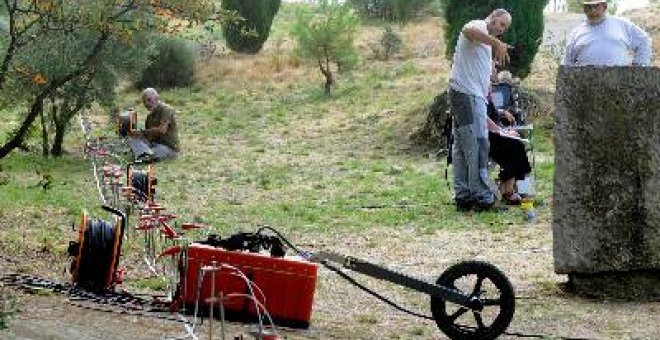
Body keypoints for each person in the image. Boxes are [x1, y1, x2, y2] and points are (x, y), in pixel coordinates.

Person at [448, 8, 513, 211]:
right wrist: (495, 43)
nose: (501, 30)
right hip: (467, 95)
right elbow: (467, 30)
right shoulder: (478, 25)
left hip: (464, 94)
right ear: (492, 17)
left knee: (461, 147)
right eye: (500, 23)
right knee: (478, 144)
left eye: (505, 28)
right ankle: (483, 198)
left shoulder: (485, 43)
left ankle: (464, 196)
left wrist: (490, 69)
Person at [562, 0, 652, 67]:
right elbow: (566, 64)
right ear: (584, 9)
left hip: (619, 85)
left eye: (596, 6)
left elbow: (644, 40)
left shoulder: (622, 24)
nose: (592, 11)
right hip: (586, 87)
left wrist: (638, 67)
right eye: (588, 7)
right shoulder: (576, 32)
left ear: (605, 7)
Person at [486, 93, 531, 205]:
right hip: (487, 139)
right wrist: (503, 132)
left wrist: (502, 112)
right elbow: (483, 117)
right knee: (516, 147)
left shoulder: (488, 94)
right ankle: (512, 188)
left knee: (517, 145)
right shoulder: (478, 94)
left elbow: (492, 113)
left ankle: (508, 185)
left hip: (495, 134)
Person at [128, 88, 180, 162]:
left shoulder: (166, 110)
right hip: (155, 144)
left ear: (157, 98)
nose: (147, 104)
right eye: (145, 101)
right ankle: (143, 154)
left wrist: (142, 132)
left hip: (168, 147)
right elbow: (150, 137)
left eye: (149, 100)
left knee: (150, 153)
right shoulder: (149, 117)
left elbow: (162, 130)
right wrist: (137, 135)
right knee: (132, 139)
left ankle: (143, 155)